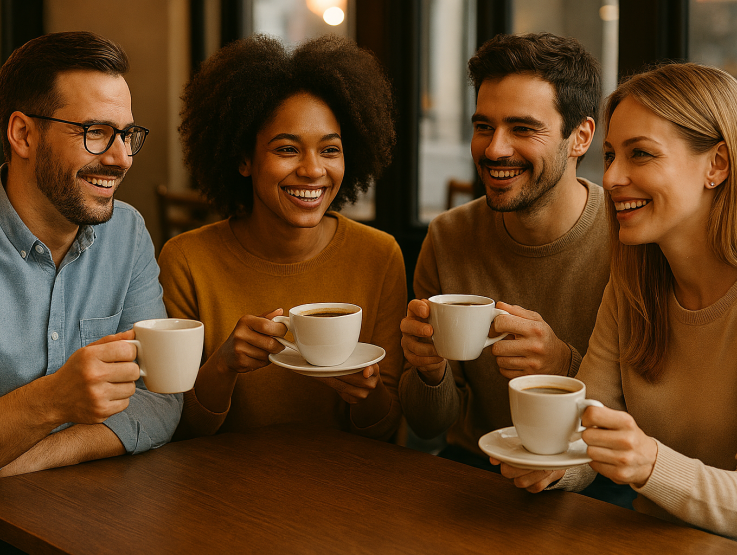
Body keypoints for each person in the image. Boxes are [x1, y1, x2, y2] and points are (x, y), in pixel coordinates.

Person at [492, 62, 737, 539]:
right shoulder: (633, 285)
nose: (613, 178)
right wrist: (553, 468)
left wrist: (650, 465)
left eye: (640, 154)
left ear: (718, 165)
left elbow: (643, 463)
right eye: (609, 156)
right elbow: (588, 434)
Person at [399, 32, 618, 494]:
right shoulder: (448, 235)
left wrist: (564, 364)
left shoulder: (628, 237)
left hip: (597, 478)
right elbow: (429, 424)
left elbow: (646, 416)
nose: (495, 149)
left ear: (580, 136)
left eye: (522, 128)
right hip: (475, 466)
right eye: (484, 126)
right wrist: (429, 371)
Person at [158, 35, 406, 441]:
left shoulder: (379, 256)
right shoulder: (186, 260)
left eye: (330, 150)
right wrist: (223, 366)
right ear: (243, 159)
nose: (312, 171)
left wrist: (366, 391)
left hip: (347, 486)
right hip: (220, 490)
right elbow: (175, 430)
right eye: (287, 149)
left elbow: (387, 429)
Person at [0, 32, 182, 477]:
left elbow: (158, 398)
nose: (121, 158)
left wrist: (40, 456)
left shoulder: (128, 232)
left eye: (126, 135)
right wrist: (53, 401)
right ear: (23, 134)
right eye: (96, 132)